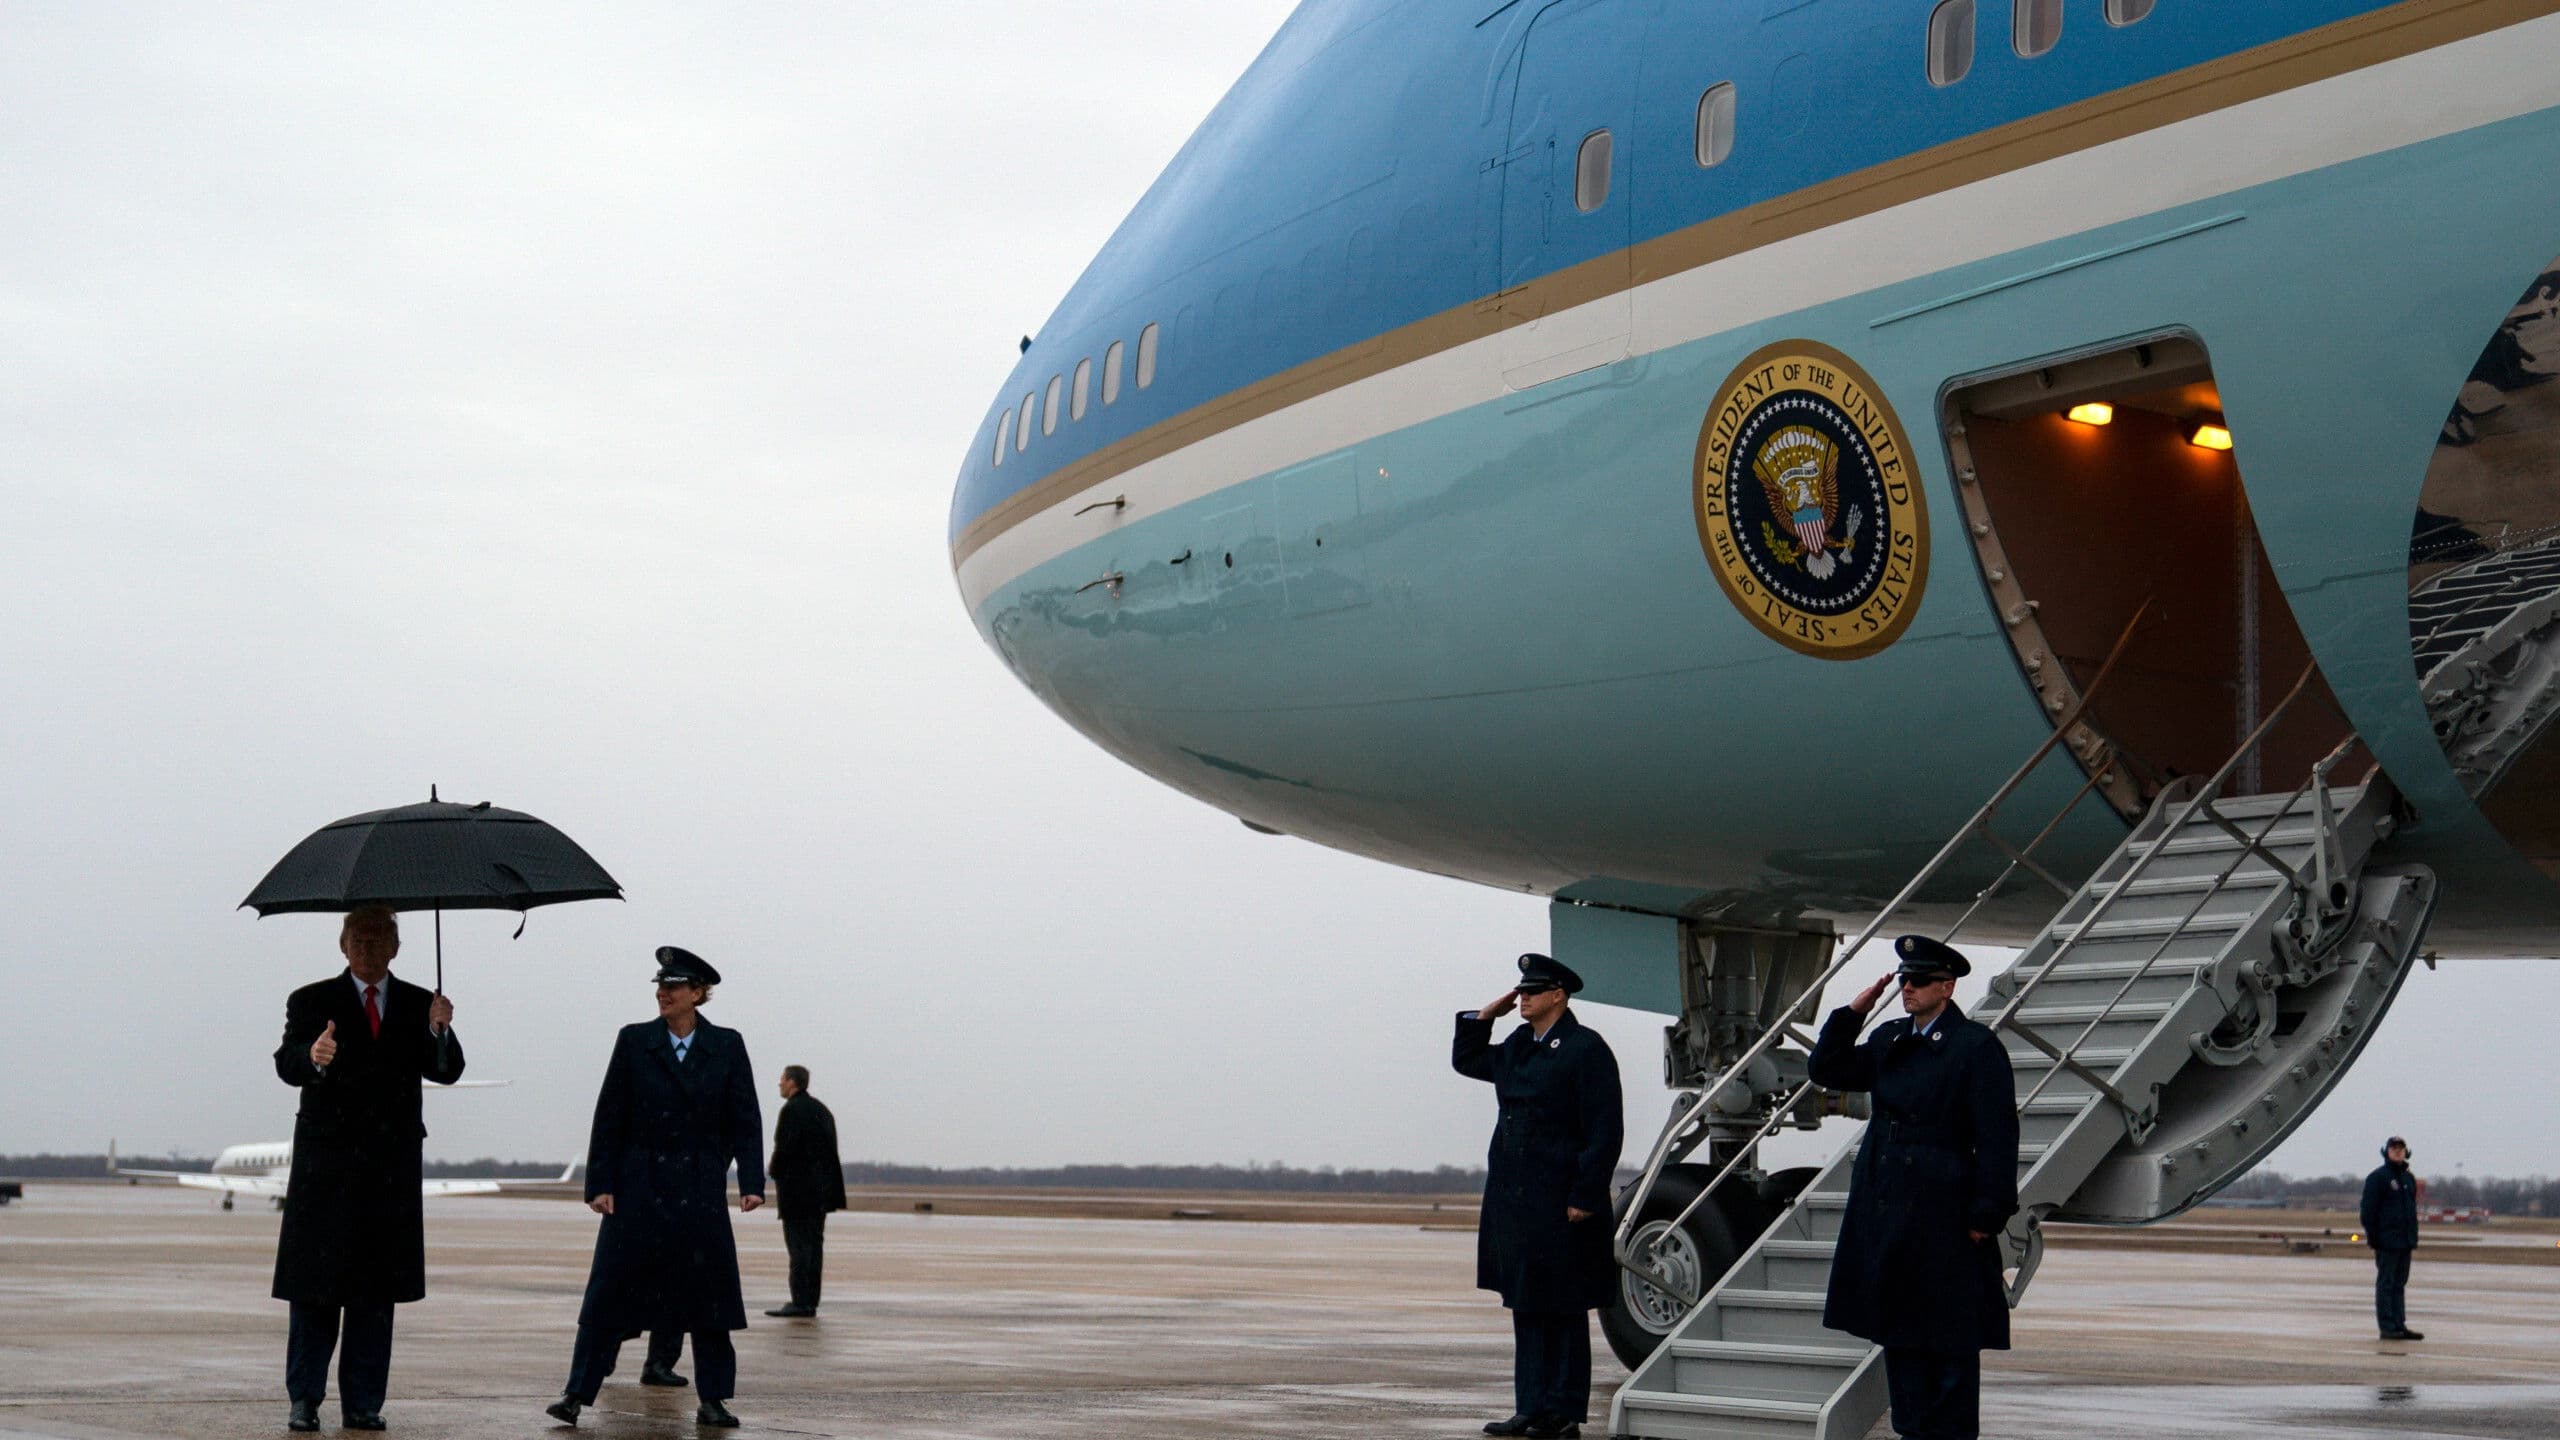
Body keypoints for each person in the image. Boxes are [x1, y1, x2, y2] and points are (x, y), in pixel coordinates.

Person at [1807, 935, 2018, 1440]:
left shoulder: (1975, 1047)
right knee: (1900, 1337)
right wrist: (1853, 1012)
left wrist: (1986, 1215)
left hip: (1943, 1214)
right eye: (1904, 979)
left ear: (1946, 987)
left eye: (1919, 981)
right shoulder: (1890, 1039)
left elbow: (1996, 1136)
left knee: (1949, 1343)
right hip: (1888, 1211)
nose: (1907, 988)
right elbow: (1826, 1069)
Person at [546, 948, 764, 1429]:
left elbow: (745, 1119)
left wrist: (751, 1181)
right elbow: (610, 1116)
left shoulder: (727, 1045)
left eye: (675, 985)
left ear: (699, 993)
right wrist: (599, 1184)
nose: (663, 992)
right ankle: (576, 1394)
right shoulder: (634, 1041)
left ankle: (714, 1399)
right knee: (606, 1299)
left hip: (698, 1191)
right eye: (660, 985)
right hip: (638, 1189)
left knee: (708, 1303)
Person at [270, 906, 464, 1434]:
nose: (367, 946)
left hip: (388, 1172)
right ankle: (304, 1399)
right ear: (343, 944)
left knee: (375, 1297)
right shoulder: (311, 1000)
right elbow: (286, 1063)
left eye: (378, 937)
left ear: (395, 947)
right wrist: (315, 1056)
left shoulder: (422, 1003)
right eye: (358, 937)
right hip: (326, 1171)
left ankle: (363, 1403)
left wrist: (440, 1032)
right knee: (316, 1293)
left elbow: (446, 1072)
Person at [1453, 953, 1624, 1440]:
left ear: (1558, 996)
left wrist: (1586, 1194)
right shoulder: (1518, 1047)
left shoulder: (1584, 1049)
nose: (1522, 996)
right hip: (1517, 1200)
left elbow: (1604, 1129)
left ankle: (1563, 1413)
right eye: (1520, 990)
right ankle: (1530, 1408)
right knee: (1527, 1304)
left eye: (1533, 990)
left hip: (1563, 1200)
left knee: (1564, 1306)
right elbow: (1467, 1060)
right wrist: (1483, 1018)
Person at [765, 1064, 846, 1317]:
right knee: (814, 1247)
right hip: (821, 1193)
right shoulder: (821, 1110)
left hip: (798, 1193)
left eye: (782, 1079)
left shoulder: (792, 1110)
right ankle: (810, 1300)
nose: (779, 1084)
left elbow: (784, 1148)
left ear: (792, 1082)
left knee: (799, 1247)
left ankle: (800, 1301)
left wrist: (774, 1172)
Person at [2361, 1136, 2424, 1341]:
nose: (2397, 1152)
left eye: (2400, 1148)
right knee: (2386, 1284)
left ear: (2406, 1151)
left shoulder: (2408, 1179)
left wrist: (2412, 1237)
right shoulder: (2378, 1178)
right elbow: (2368, 1211)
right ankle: (2387, 1326)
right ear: (2386, 1151)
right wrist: (2374, 1237)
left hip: (2405, 1241)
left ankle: (2399, 1324)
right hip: (2386, 1241)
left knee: (2399, 1284)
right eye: (2393, 1148)